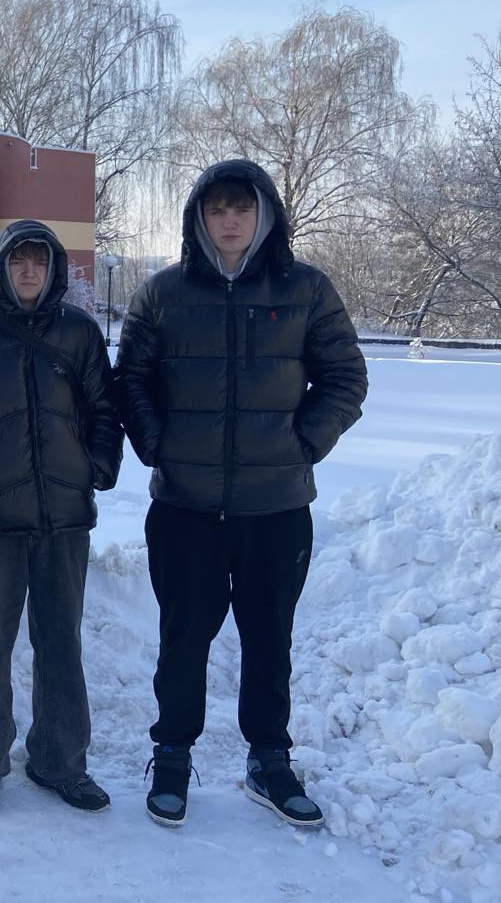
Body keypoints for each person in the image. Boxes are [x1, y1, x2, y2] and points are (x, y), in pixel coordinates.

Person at [117, 159, 367, 828]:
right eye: (217, 208)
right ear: (198, 217)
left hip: (276, 507)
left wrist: (302, 443)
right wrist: (157, 444)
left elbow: (345, 377)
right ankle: (173, 754)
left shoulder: (306, 289)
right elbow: (131, 378)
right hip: (185, 506)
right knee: (183, 637)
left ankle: (269, 760)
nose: (230, 221)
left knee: (268, 637)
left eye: (242, 207)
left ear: (264, 214)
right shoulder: (163, 293)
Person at [0, 220, 122, 817]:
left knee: (61, 642)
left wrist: (96, 467)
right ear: (1, 268)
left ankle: (60, 760)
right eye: (18, 261)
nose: (29, 272)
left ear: (54, 270)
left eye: (39, 262)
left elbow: (105, 408)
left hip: (64, 518)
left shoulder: (80, 332)